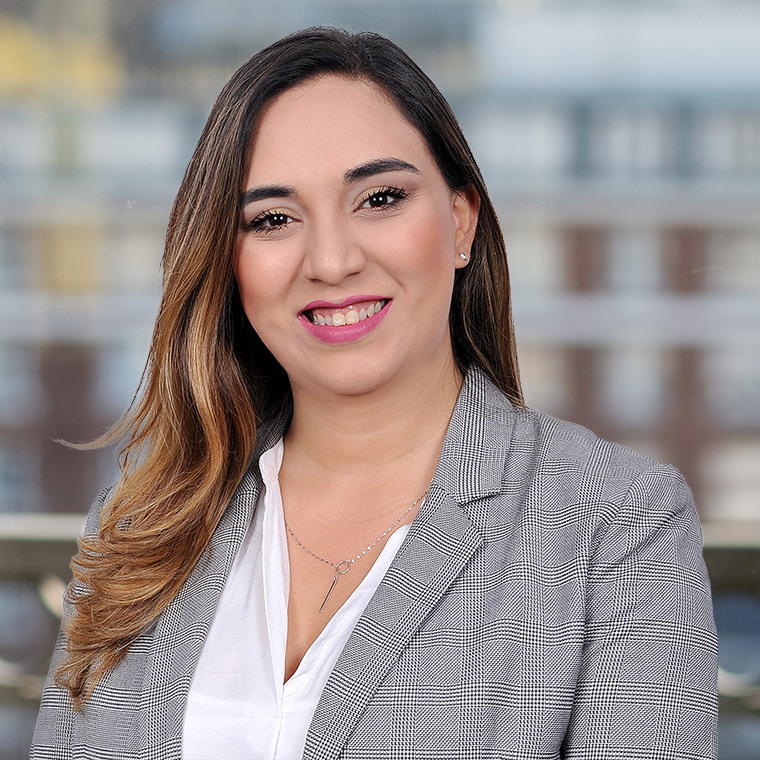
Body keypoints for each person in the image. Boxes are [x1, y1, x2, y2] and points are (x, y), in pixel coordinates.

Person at [32, 27, 718, 759]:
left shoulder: (619, 527)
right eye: (273, 219)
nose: (331, 261)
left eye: (380, 198)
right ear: (229, 263)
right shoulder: (139, 528)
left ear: (461, 221)